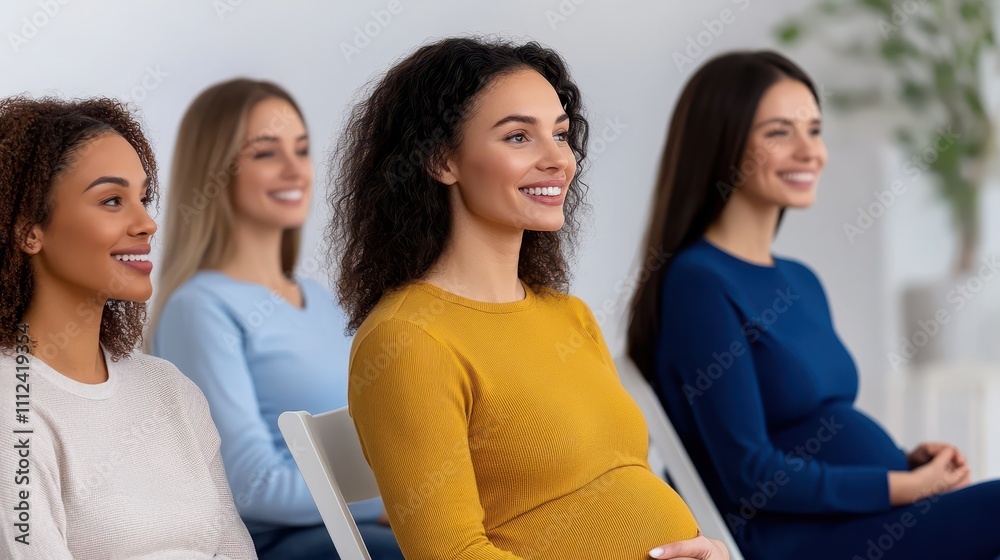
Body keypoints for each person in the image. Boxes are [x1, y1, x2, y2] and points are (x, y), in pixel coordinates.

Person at [331, 36, 730, 560]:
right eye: (519, 136)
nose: (558, 159)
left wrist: (707, 549)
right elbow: (450, 554)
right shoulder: (408, 339)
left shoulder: (570, 317)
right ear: (439, 160)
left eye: (561, 134)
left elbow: (621, 484)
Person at [627, 50, 1000, 560]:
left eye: (815, 130)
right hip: (797, 541)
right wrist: (901, 486)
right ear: (722, 142)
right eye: (779, 132)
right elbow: (749, 473)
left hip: (869, 517)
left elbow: (814, 430)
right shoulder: (698, 282)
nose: (810, 151)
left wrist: (906, 463)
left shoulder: (801, 280)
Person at [149, 79, 402, 560]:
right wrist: (393, 500)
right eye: (266, 153)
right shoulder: (199, 307)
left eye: (302, 150)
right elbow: (251, 486)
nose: (294, 170)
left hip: (370, 528)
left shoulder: (322, 299)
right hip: (288, 544)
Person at [0, 96, 256, 559]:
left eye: (144, 198)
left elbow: (236, 549)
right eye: (112, 200)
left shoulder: (170, 388)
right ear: (29, 231)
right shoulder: (11, 405)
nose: (147, 223)